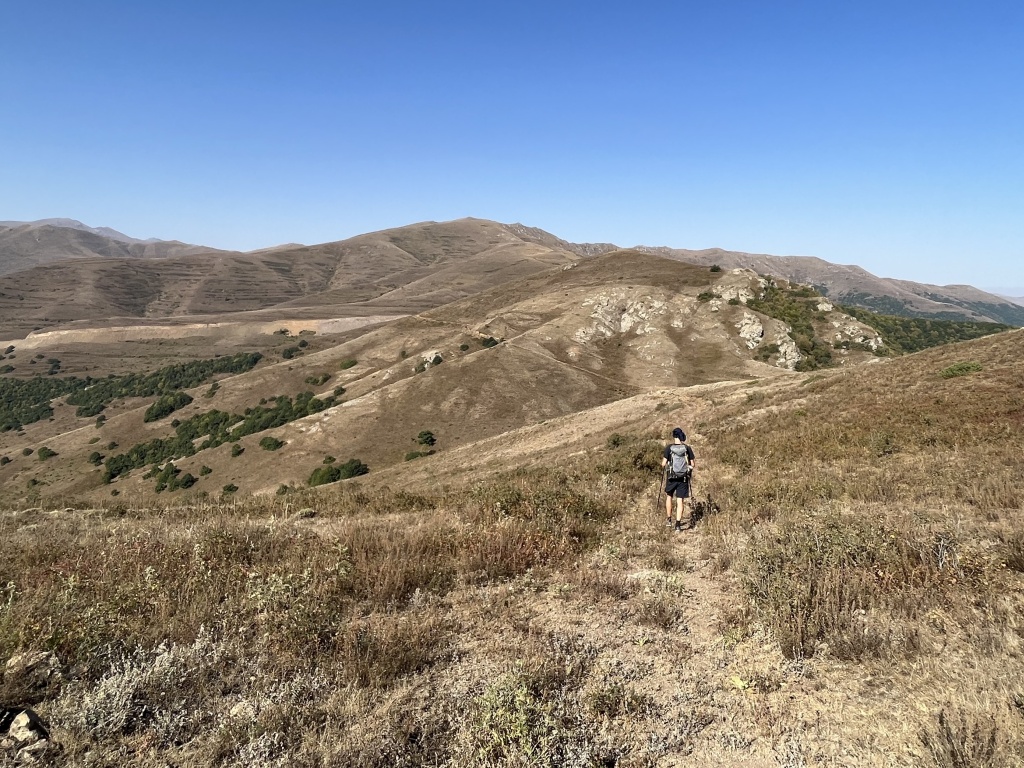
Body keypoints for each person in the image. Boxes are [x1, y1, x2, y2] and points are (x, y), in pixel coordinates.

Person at [662, 427, 695, 532]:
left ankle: (668, 520)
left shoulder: (669, 448)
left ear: (673, 436)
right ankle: (678, 525)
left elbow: (663, 464)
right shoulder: (687, 448)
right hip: (683, 478)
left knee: (669, 496)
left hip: (671, 477)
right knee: (680, 500)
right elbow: (692, 464)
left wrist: (667, 465)